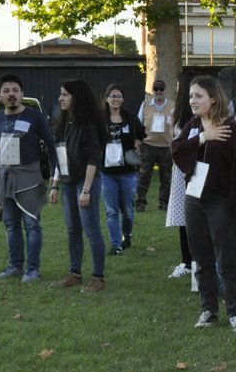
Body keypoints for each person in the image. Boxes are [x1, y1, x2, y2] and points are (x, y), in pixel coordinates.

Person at [173, 76, 236, 330]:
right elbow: (177, 150)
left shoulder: (231, 128)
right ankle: (208, 310)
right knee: (201, 258)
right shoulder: (193, 126)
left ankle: (234, 313)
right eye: (190, 96)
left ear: (213, 98)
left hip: (220, 200)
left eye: (198, 96)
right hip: (194, 198)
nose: (192, 101)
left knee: (226, 257)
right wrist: (203, 137)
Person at [0, 73, 57, 283]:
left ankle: (32, 269)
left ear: (22, 94)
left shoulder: (35, 117)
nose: (11, 95)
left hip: (29, 176)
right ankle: (15, 266)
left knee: (32, 224)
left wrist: (55, 179)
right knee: (10, 224)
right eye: (6, 91)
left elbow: (52, 146)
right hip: (5, 176)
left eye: (15, 90)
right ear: (0, 95)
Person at [48, 78, 109, 293]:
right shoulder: (65, 123)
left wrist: (86, 190)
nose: (60, 98)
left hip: (86, 183)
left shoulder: (88, 125)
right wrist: (55, 185)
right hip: (67, 183)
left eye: (65, 94)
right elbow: (60, 154)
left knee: (91, 231)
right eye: (61, 94)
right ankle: (74, 274)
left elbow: (94, 158)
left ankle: (98, 278)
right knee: (73, 230)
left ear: (77, 97)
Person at [101, 83, 146, 254]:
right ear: (106, 98)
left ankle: (126, 236)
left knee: (127, 210)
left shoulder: (130, 118)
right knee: (111, 210)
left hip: (127, 172)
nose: (115, 99)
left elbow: (141, 133)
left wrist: (136, 145)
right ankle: (116, 244)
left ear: (123, 99)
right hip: (107, 172)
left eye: (119, 96)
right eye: (112, 95)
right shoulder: (100, 119)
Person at [135, 77, 176, 212]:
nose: (159, 92)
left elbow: (176, 125)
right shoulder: (145, 105)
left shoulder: (172, 105)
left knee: (165, 177)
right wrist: (138, 142)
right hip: (148, 145)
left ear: (164, 90)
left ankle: (163, 204)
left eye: (161, 89)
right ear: (152, 91)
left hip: (166, 147)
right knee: (144, 175)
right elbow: (138, 124)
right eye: (156, 89)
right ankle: (140, 202)